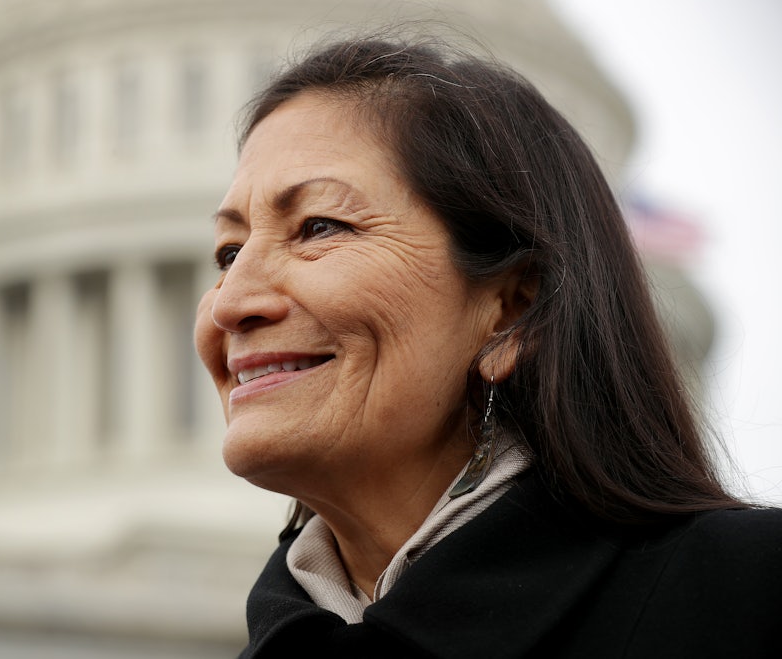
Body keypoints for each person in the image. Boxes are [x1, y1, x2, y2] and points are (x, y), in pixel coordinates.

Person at [193, 36, 782, 658]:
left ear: (513, 311)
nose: (230, 303)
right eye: (229, 253)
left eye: (320, 226)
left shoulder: (752, 598)